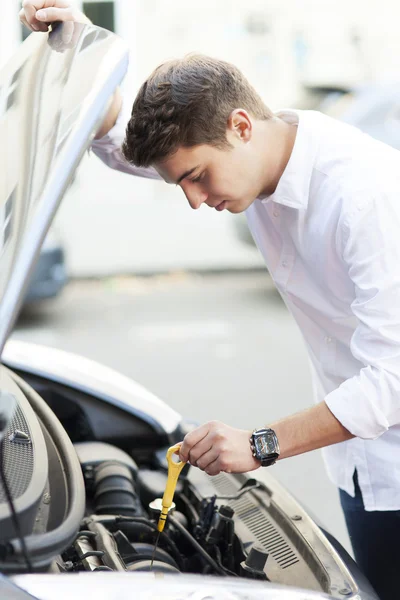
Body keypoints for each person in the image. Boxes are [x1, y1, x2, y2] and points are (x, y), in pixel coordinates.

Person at [21, 3, 400, 598]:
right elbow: (123, 140)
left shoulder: (365, 198)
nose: (194, 200)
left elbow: (393, 380)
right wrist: (80, 47)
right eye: (180, 185)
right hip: (362, 462)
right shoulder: (252, 160)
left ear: (242, 126)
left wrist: (258, 444)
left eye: (197, 177)